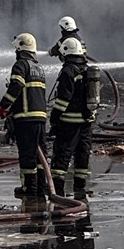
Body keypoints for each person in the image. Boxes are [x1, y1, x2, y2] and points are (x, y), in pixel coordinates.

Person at [0, 32, 48, 200]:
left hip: (26, 119)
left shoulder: (20, 65)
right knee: (40, 156)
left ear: (20, 48)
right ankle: (42, 187)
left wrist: (4, 106)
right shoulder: (38, 68)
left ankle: (29, 188)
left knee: (27, 155)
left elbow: (16, 86)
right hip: (40, 118)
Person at [48, 37, 96, 198]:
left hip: (69, 122)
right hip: (86, 122)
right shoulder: (87, 69)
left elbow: (63, 99)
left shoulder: (68, 71)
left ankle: (58, 192)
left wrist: (54, 117)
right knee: (82, 156)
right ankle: (80, 190)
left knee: (62, 156)